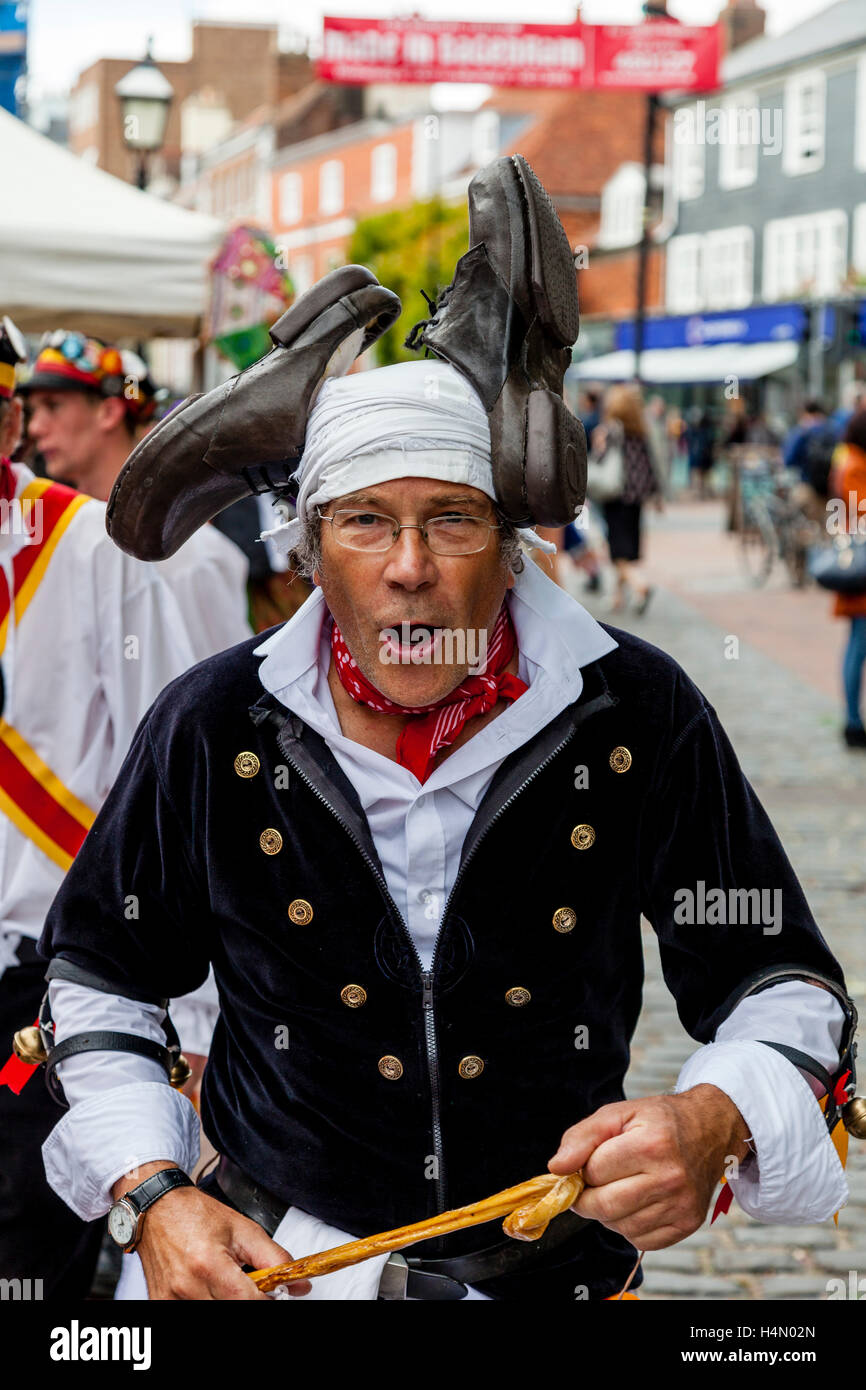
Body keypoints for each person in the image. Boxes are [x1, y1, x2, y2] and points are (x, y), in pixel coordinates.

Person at [34, 160, 856, 1303]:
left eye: (451, 520)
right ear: (311, 552)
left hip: (542, 1275)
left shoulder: (633, 710)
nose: (409, 568)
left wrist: (717, 1115)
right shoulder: (213, 720)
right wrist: (151, 1193)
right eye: (366, 521)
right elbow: (100, 980)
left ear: (511, 547)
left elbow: (780, 976)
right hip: (272, 1273)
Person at [0, 317, 219, 1298]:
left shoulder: (96, 547)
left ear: (6, 421)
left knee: (26, 1256)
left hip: (38, 996)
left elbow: (180, 794)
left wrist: (199, 1015)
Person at [23, 332, 252, 662]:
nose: (35, 427)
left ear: (108, 412)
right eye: (33, 410)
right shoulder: (59, 538)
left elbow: (221, 687)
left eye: (53, 405)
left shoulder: (186, 556)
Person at [594, 384, 661, 615]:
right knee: (626, 548)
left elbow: (600, 460)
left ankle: (640, 586)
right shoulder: (640, 431)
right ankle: (617, 598)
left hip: (617, 496)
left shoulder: (611, 430)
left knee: (617, 551)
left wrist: (598, 444)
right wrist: (657, 494)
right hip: (637, 498)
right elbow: (651, 465)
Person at [828, 409, 866, 749]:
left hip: (859, 565)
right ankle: (853, 721)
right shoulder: (854, 464)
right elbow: (859, 511)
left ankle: (854, 719)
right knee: (859, 641)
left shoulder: (851, 459)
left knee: (858, 642)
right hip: (861, 568)